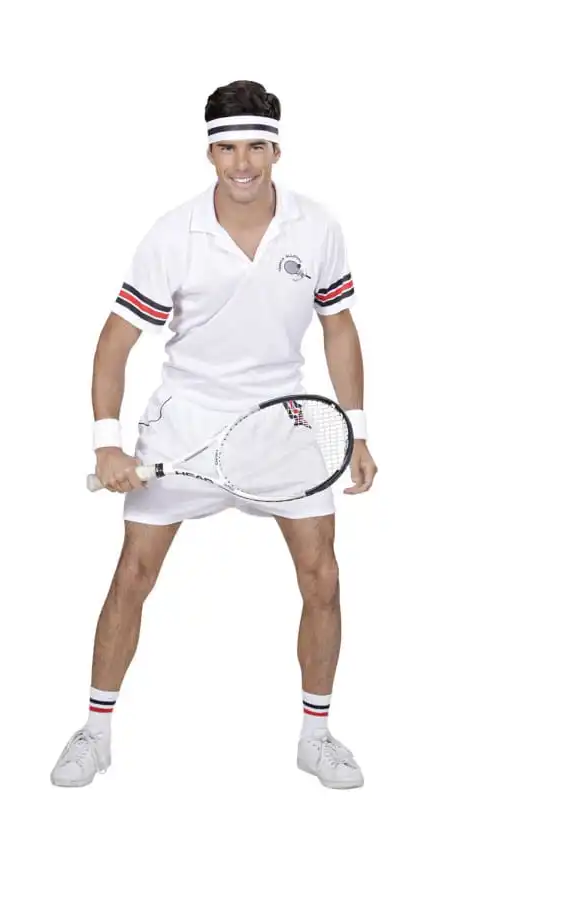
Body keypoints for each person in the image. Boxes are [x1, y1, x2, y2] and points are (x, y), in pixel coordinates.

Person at [51, 80, 378, 789]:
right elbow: (114, 342)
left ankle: (316, 737)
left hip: (284, 425)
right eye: (228, 148)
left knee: (322, 577)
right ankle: (94, 733)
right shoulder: (173, 234)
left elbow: (339, 327)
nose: (243, 163)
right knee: (133, 575)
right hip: (186, 423)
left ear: (277, 150)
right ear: (209, 153)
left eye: (257, 146)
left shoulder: (318, 227)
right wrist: (107, 442)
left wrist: (355, 431)